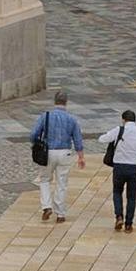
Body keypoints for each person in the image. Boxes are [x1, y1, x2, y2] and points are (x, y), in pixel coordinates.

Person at [29, 90, 85, 224]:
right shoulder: (71, 119)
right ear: (66, 102)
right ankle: (60, 213)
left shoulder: (46, 116)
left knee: (45, 180)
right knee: (62, 183)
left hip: (48, 152)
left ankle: (46, 206)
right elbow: (78, 139)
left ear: (54, 101)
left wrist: (36, 143)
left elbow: (33, 134)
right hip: (65, 152)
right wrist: (81, 157)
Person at [98, 110, 136, 233]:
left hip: (119, 167)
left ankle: (119, 216)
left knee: (117, 192)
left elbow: (102, 139)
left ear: (123, 119)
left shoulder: (119, 130)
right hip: (135, 168)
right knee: (131, 196)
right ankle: (129, 224)